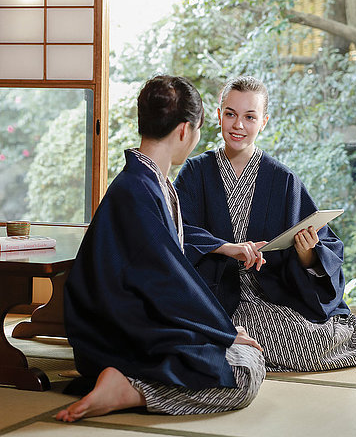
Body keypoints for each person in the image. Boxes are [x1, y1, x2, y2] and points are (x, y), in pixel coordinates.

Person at [56, 75, 266, 423]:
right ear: (185, 130)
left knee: (240, 355)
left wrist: (221, 328)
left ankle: (128, 386)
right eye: (198, 129)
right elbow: (167, 279)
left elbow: (167, 260)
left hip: (133, 320)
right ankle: (129, 390)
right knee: (243, 373)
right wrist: (225, 331)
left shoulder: (145, 181)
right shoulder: (138, 189)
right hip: (119, 335)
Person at [175, 76, 356, 373]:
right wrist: (226, 248)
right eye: (230, 114)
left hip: (268, 291)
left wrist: (307, 253)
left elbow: (321, 241)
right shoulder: (195, 172)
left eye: (250, 117)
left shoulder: (281, 179)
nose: (238, 125)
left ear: (264, 121)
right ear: (218, 115)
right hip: (215, 294)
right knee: (235, 348)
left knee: (305, 347)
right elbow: (178, 230)